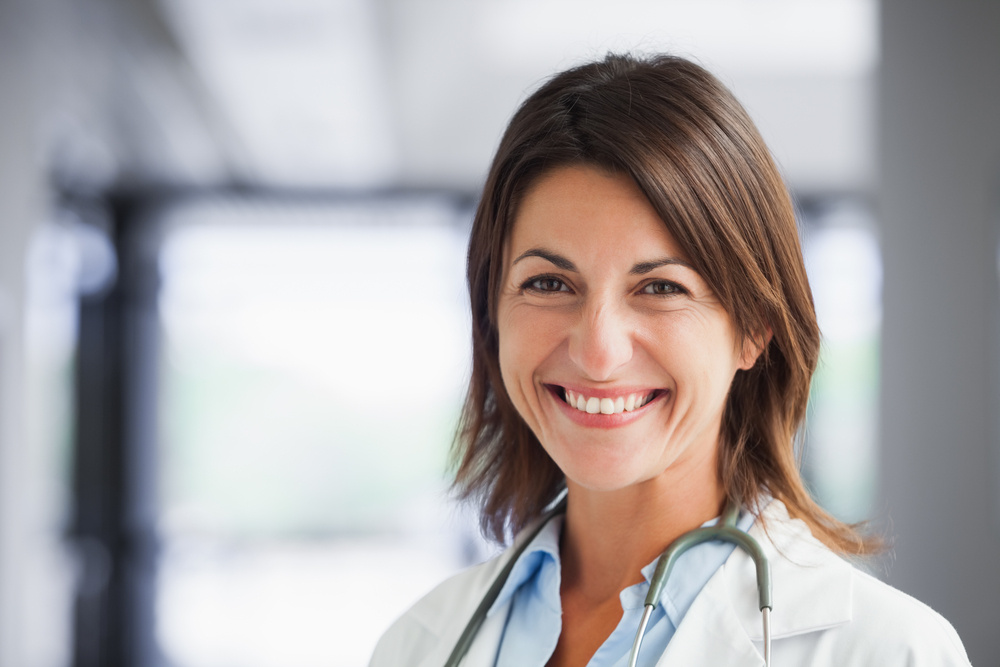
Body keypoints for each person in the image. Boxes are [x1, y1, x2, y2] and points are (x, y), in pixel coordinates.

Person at [369, 53, 970, 666]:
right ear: (490, 314)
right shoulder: (419, 644)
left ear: (754, 328)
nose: (598, 353)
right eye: (549, 283)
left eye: (660, 288)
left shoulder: (888, 651)